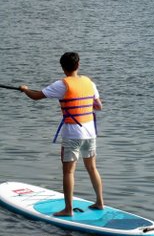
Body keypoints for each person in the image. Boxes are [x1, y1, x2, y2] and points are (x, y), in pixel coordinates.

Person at [19, 52, 104, 217]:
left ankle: (68, 209)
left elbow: (36, 96)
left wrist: (25, 90)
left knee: (68, 172)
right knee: (92, 167)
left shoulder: (62, 84)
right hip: (90, 132)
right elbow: (98, 106)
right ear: (78, 65)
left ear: (63, 68)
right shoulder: (89, 82)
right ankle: (100, 202)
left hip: (72, 134)